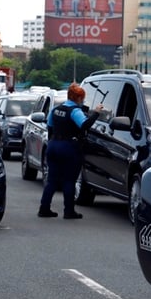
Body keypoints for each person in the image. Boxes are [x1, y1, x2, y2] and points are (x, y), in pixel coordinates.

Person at [38, 83, 103, 220]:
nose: (83, 101)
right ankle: (69, 211)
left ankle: (44, 209)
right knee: (69, 180)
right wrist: (96, 113)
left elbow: (50, 128)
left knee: (52, 180)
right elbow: (85, 125)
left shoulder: (55, 110)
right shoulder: (75, 111)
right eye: (82, 98)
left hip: (53, 145)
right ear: (78, 98)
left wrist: (53, 143)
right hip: (68, 147)